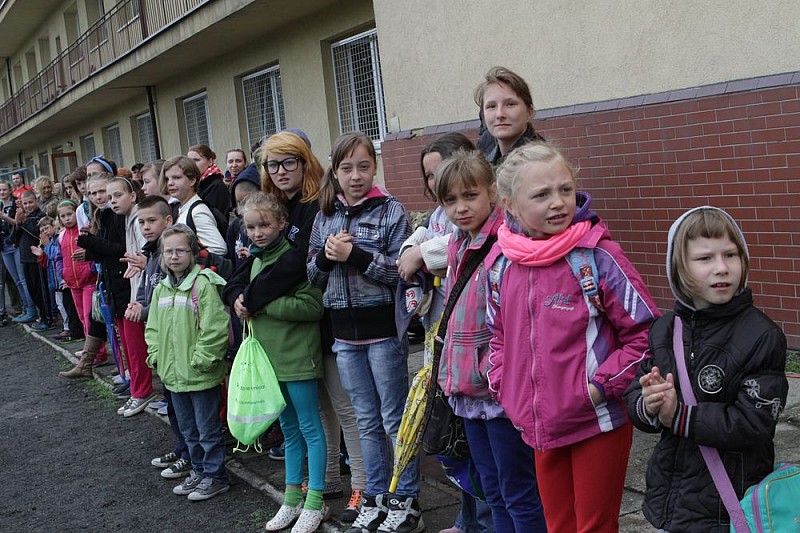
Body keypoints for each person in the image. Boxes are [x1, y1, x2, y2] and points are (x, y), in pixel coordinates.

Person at [485, 142, 658, 532]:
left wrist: (597, 389)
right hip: (538, 424)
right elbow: (496, 337)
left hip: (597, 420)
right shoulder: (500, 264)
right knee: (558, 524)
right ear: (510, 204)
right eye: (541, 195)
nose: (558, 202)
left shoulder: (597, 257)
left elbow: (647, 334)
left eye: (565, 189)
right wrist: (504, 386)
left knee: (593, 526)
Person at [227, 130, 367, 521]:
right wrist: (234, 294)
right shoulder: (275, 207)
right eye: (273, 164)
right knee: (318, 414)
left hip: (329, 321)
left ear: (306, 161)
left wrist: (253, 298)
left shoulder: (319, 202)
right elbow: (250, 264)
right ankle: (327, 480)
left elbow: (295, 265)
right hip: (295, 337)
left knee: (344, 407)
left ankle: (363, 485)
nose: (281, 170)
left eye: (290, 161)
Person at [624, 206, 789, 532]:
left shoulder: (761, 336)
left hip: (731, 505)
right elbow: (635, 392)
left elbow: (755, 423)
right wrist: (649, 403)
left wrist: (680, 416)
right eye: (705, 258)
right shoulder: (665, 330)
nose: (721, 268)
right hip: (673, 499)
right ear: (679, 268)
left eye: (730, 255)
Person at [307, 132, 419, 533]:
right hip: (344, 337)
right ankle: (375, 497)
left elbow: (402, 273)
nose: (355, 176)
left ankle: (406, 501)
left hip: (383, 332)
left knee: (394, 420)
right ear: (335, 172)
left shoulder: (391, 210)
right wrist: (326, 256)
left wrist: (354, 255)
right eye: (347, 168)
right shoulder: (324, 215)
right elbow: (312, 275)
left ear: (375, 167)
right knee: (366, 420)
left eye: (364, 167)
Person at [432, 149, 546, 532]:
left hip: (500, 393)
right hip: (468, 389)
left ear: (492, 192)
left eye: (470, 195)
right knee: (491, 489)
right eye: (451, 200)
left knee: (519, 491)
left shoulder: (507, 243)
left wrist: (494, 373)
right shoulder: (457, 243)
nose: (461, 208)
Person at [397, 134, 495, 533]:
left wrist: (422, 253)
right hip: (445, 343)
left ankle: (482, 522)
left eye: (440, 171)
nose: (436, 181)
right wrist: (416, 249)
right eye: (430, 176)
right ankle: (468, 519)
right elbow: (415, 245)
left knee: (491, 466)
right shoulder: (441, 217)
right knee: (460, 443)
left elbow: (435, 252)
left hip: (480, 360)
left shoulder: (471, 227)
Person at [229, 192, 329, 532]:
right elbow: (243, 295)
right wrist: (243, 303)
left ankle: (315, 501)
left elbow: (312, 307)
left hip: (298, 358)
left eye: (265, 225)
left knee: (310, 428)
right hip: (269, 363)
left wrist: (263, 303)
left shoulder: (295, 259)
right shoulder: (256, 259)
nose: (257, 233)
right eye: (251, 227)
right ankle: (292, 498)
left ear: (282, 223)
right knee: (288, 430)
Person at [144, 224, 230, 502]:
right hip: (173, 374)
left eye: (180, 250)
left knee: (208, 430)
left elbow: (215, 327)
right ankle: (199, 470)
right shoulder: (161, 289)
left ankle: (215, 476)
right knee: (188, 430)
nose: (174, 256)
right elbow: (153, 328)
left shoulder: (203, 284)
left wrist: (202, 360)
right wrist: (156, 356)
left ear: (192, 253)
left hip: (199, 373)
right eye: (168, 251)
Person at [475, 66, 545, 165]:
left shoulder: (543, 164)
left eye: (510, 104)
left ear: (529, 112)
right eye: (491, 106)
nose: (499, 114)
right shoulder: (485, 163)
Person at [161, 156, 227, 256]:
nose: (170, 183)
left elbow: (219, 249)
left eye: (177, 178)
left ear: (192, 180)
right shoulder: (182, 208)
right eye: (167, 179)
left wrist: (190, 259)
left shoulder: (197, 211)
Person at [1, 180, 37, 324]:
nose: (2, 192)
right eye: (0, 190)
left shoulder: (17, 204)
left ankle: (32, 309)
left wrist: (4, 217)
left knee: (23, 279)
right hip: (4, 247)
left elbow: (19, 223)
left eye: (4, 189)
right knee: (16, 280)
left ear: (10, 190)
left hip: (15, 244)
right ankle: (25, 308)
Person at [15, 189, 51, 330]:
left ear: (36, 201)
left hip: (37, 259)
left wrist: (24, 221)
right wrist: (18, 223)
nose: (28, 206)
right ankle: (42, 316)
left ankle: (47, 318)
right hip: (25, 259)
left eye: (30, 202)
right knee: (32, 291)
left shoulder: (40, 216)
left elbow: (38, 234)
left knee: (41, 291)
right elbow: (15, 239)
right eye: (25, 203)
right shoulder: (24, 216)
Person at [187, 144, 230, 216]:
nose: (192, 164)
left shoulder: (215, 186)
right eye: (189, 161)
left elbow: (211, 216)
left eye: (196, 160)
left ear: (210, 162)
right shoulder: (196, 184)